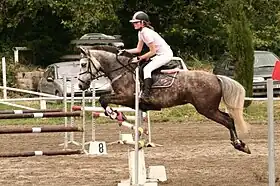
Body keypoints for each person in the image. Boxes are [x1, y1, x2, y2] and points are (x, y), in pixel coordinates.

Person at [124, 11, 173, 101]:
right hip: (159, 54)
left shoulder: (146, 33)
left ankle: (146, 94)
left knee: (147, 69)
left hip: (165, 55)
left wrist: (140, 58)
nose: (134, 24)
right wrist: (124, 51)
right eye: (133, 22)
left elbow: (153, 51)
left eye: (136, 22)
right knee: (142, 67)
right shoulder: (141, 33)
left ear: (143, 23)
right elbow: (138, 49)